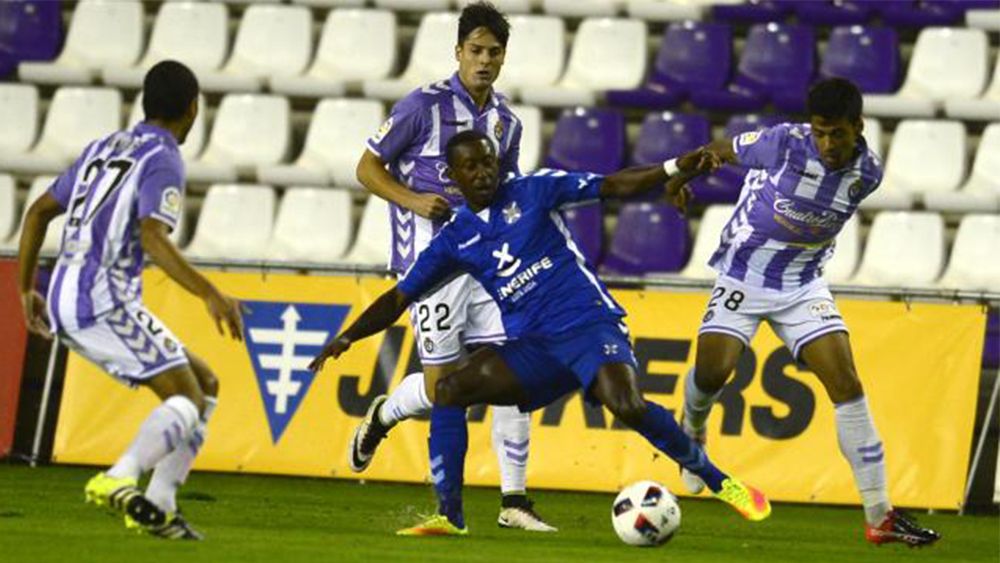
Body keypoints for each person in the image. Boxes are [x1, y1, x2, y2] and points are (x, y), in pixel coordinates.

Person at [313, 130, 773, 533]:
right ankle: (449, 517)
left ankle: (720, 482)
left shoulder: (534, 190)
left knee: (626, 404)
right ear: (453, 178)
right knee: (450, 390)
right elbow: (399, 298)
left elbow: (612, 184)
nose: (482, 172)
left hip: (588, 323)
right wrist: (348, 336)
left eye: (488, 161)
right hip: (534, 348)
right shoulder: (455, 239)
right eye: (470, 166)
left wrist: (674, 166)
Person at [671, 77, 940, 547]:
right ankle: (692, 432)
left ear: (858, 127)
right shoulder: (783, 143)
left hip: (801, 284)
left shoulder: (867, 174)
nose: (827, 143)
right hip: (742, 274)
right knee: (714, 373)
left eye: (837, 133)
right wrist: (679, 179)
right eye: (820, 132)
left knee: (847, 384)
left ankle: (880, 516)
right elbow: (721, 149)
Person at [17, 60, 244, 540]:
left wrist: (25, 288)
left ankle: (160, 503)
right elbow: (152, 238)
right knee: (185, 397)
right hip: (101, 300)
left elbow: (38, 211)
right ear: (193, 107)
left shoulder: (104, 147)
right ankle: (119, 477)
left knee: (205, 383)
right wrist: (211, 293)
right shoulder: (163, 158)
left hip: (67, 292)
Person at [354, 1, 551, 534]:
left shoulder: (506, 122)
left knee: (512, 368)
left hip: (485, 260)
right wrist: (414, 200)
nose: (484, 60)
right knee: (445, 388)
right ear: (458, 52)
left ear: (503, 58)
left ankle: (515, 499)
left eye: (493, 52)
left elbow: (506, 190)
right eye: (476, 50)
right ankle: (385, 415)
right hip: (429, 260)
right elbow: (367, 167)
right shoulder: (422, 107)